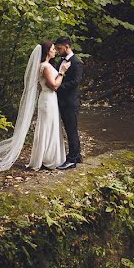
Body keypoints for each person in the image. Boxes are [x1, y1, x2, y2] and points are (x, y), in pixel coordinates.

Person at [0, 41, 70, 172]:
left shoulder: (45, 65)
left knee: (50, 127)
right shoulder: (45, 67)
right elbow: (54, 85)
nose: (55, 51)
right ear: (47, 52)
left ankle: (48, 157)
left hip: (48, 99)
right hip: (48, 99)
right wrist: (62, 72)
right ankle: (45, 159)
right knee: (46, 127)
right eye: (53, 49)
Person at [53, 36, 84, 169]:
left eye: (59, 48)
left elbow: (75, 82)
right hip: (63, 101)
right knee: (70, 129)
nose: (58, 51)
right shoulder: (61, 60)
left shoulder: (76, 62)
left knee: (71, 130)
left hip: (71, 101)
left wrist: (57, 87)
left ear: (67, 47)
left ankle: (72, 159)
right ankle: (77, 156)